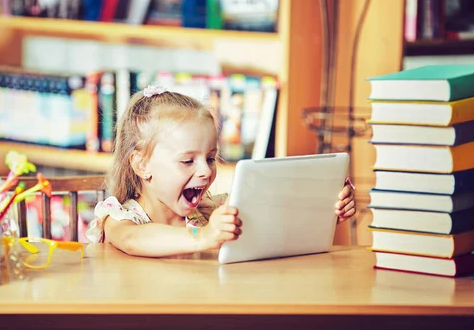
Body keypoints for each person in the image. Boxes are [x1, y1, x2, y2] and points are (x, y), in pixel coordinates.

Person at [85, 85, 356, 257]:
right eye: (188, 161)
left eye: (211, 158)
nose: (205, 171)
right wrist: (203, 237)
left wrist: (324, 209)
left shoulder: (210, 212)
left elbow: (277, 219)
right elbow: (133, 240)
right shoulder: (119, 217)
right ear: (142, 165)